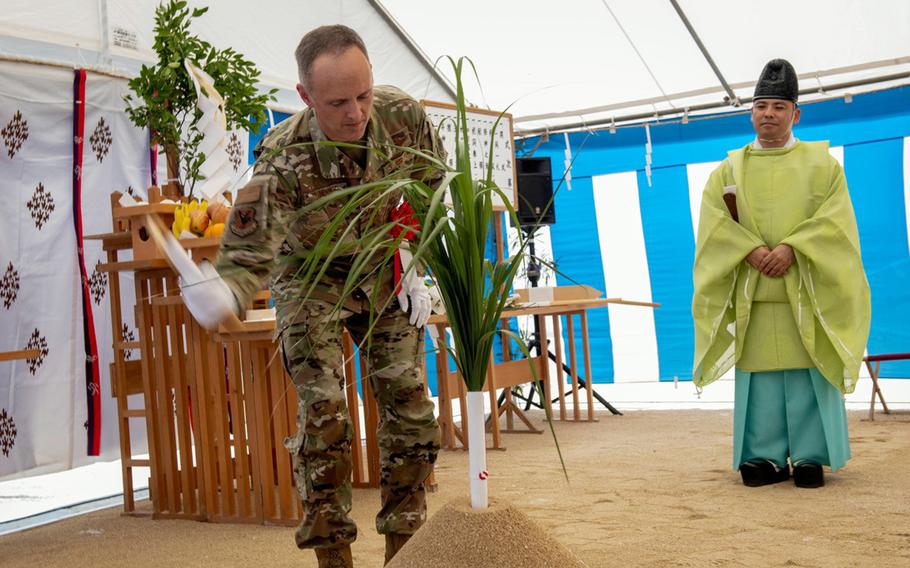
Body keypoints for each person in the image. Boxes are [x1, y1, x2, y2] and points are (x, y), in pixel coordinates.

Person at [185, 25, 444, 568]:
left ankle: (405, 551)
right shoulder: (280, 155)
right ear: (304, 97)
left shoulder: (403, 117)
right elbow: (246, 254)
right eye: (338, 102)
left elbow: (433, 189)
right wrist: (223, 294)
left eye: (363, 95)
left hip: (383, 267)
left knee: (411, 408)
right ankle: (333, 555)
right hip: (311, 279)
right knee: (325, 411)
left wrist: (417, 262)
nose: (356, 113)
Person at [692, 59, 870, 490]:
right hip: (755, 291)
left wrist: (794, 247)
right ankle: (762, 456)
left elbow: (836, 222)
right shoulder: (729, 170)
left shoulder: (823, 165)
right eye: (761, 106)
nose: (768, 113)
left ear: (796, 113)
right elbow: (714, 223)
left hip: (806, 289)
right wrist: (750, 249)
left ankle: (812, 455)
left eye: (778, 105)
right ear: (750, 113)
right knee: (761, 377)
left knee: (809, 369)